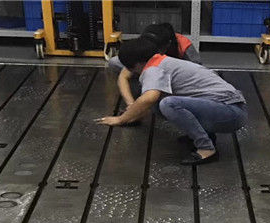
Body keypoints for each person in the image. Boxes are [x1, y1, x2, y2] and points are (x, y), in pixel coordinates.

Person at [97, 37, 247, 166]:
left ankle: (206, 149)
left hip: (231, 113)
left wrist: (121, 119)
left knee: (168, 104)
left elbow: (148, 98)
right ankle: (205, 136)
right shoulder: (163, 61)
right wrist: (133, 113)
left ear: (135, 65)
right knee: (159, 103)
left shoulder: (153, 69)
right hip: (228, 108)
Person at [109, 23, 201, 110]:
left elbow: (197, 72)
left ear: (167, 45)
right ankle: (140, 84)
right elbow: (123, 76)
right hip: (151, 70)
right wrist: (131, 105)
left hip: (175, 76)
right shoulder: (146, 45)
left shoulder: (184, 45)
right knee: (114, 62)